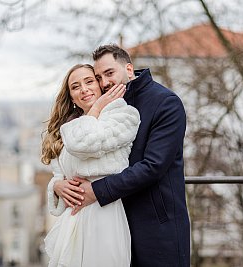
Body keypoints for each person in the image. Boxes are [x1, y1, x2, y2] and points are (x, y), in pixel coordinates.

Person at [58, 44, 191, 266]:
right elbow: (79, 159)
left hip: (156, 227)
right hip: (115, 222)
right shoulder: (106, 106)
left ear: (129, 69)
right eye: (98, 77)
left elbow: (153, 166)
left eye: (109, 73)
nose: (104, 82)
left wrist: (97, 191)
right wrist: (57, 185)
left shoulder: (165, 103)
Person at [41, 63, 140, 267]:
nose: (83, 89)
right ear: (71, 97)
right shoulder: (71, 126)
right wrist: (57, 186)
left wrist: (96, 108)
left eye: (89, 81)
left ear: (99, 84)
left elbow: (83, 144)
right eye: (75, 86)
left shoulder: (122, 115)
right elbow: (60, 172)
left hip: (103, 213)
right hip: (74, 218)